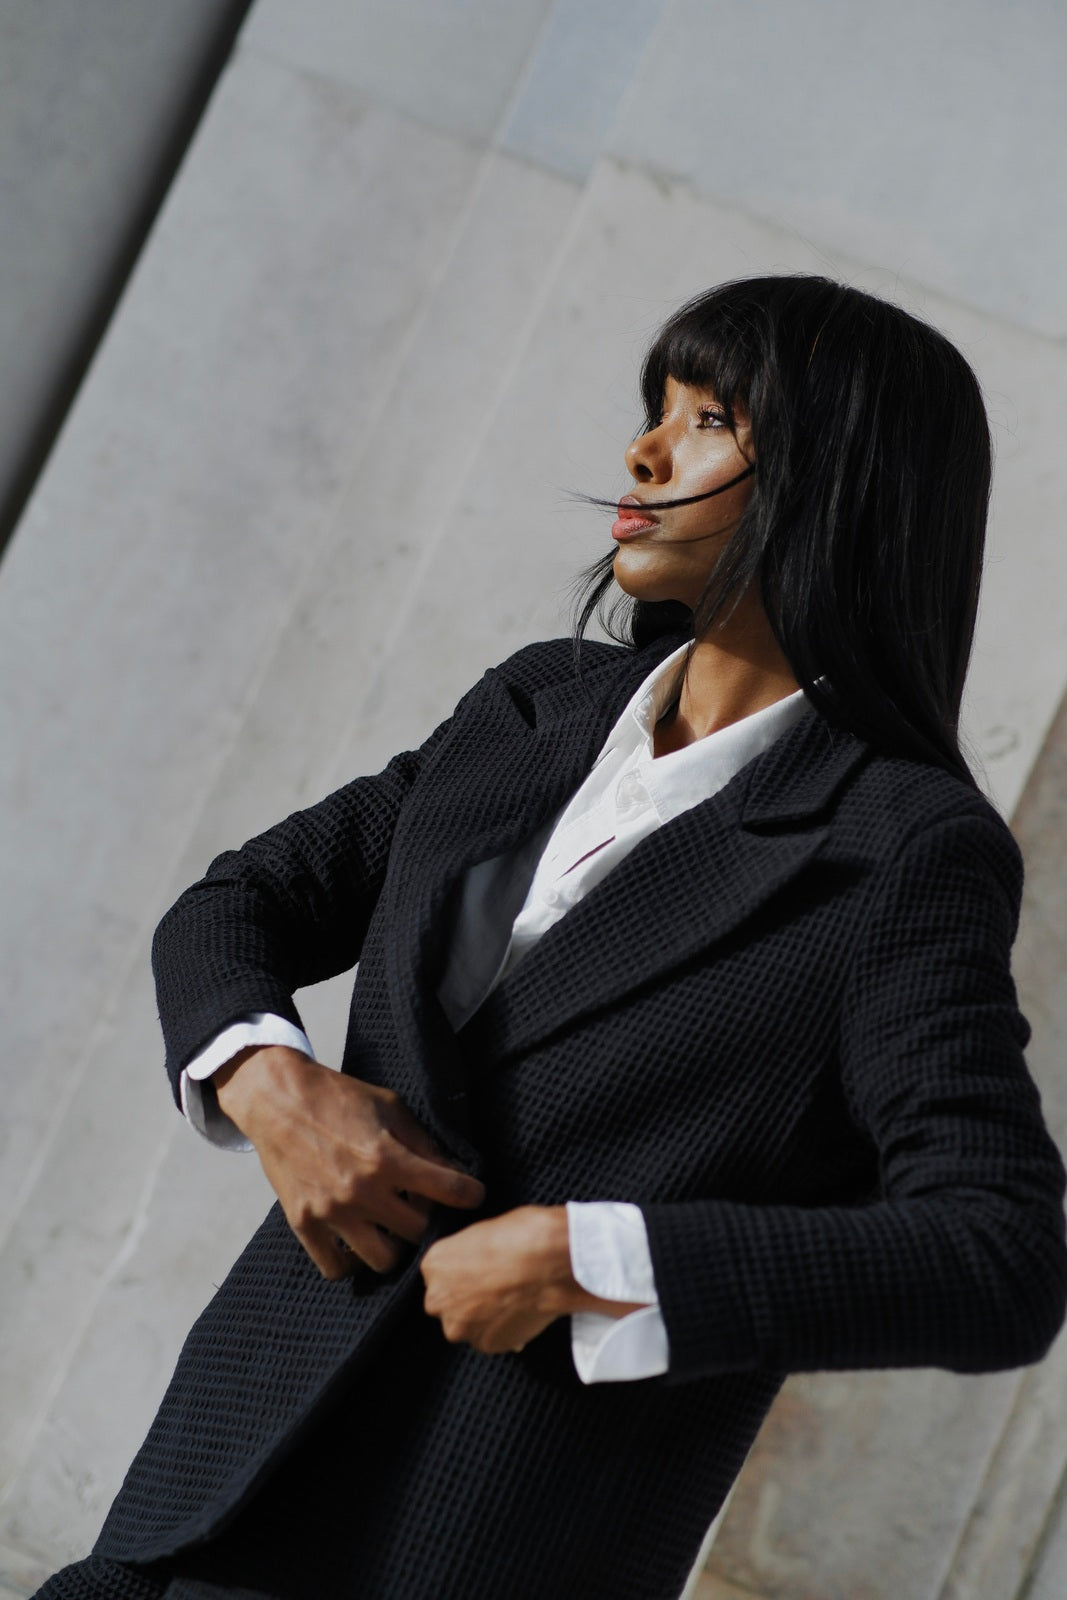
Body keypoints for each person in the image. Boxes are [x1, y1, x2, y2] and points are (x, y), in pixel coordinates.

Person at [37, 275, 1067, 1600]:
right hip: (212, 1481)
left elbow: (996, 1255)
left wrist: (586, 1259)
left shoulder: (901, 848)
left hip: (477, 1543)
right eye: (654, 407)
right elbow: (239, 904)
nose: (643, 450)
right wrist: (270, 1081)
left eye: (709, 417)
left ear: (844, 479)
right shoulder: (534, 706)